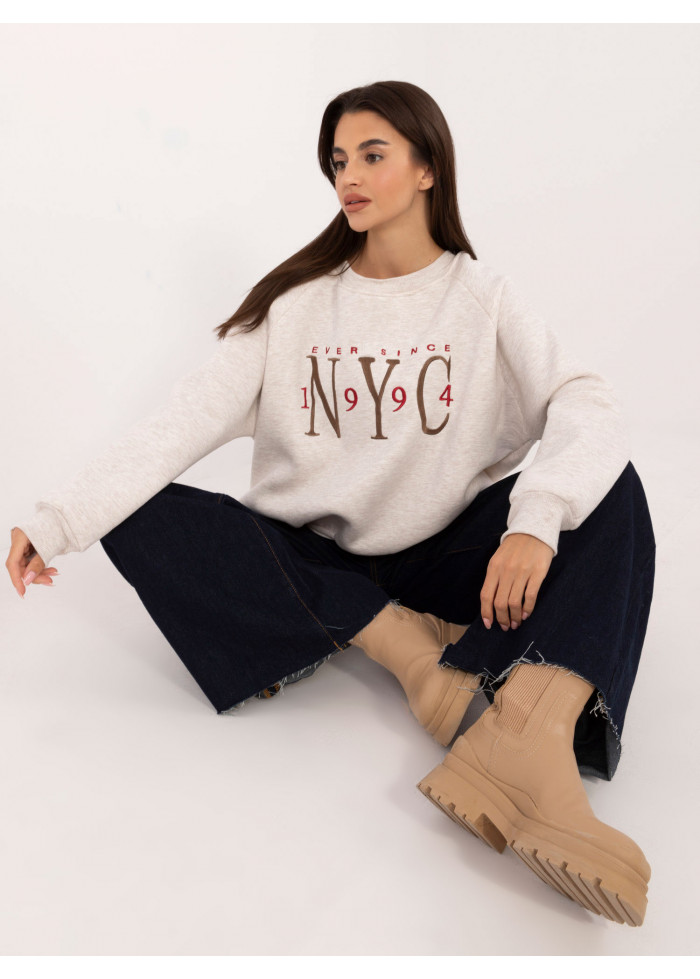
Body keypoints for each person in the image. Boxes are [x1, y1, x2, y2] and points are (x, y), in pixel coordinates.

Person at [6, 80, 655, 926]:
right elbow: (178, 425)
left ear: (427, 167)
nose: (348, 175)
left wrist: (534, 521)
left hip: (446, 554)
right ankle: (414, 655)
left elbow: (585, 399)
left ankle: (529, 732)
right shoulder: (297, 305)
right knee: (145, 514)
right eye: (338, 160)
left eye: (372, 155)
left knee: (613, 490)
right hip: (310, 563)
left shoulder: (481, 296)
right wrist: (57, 521)